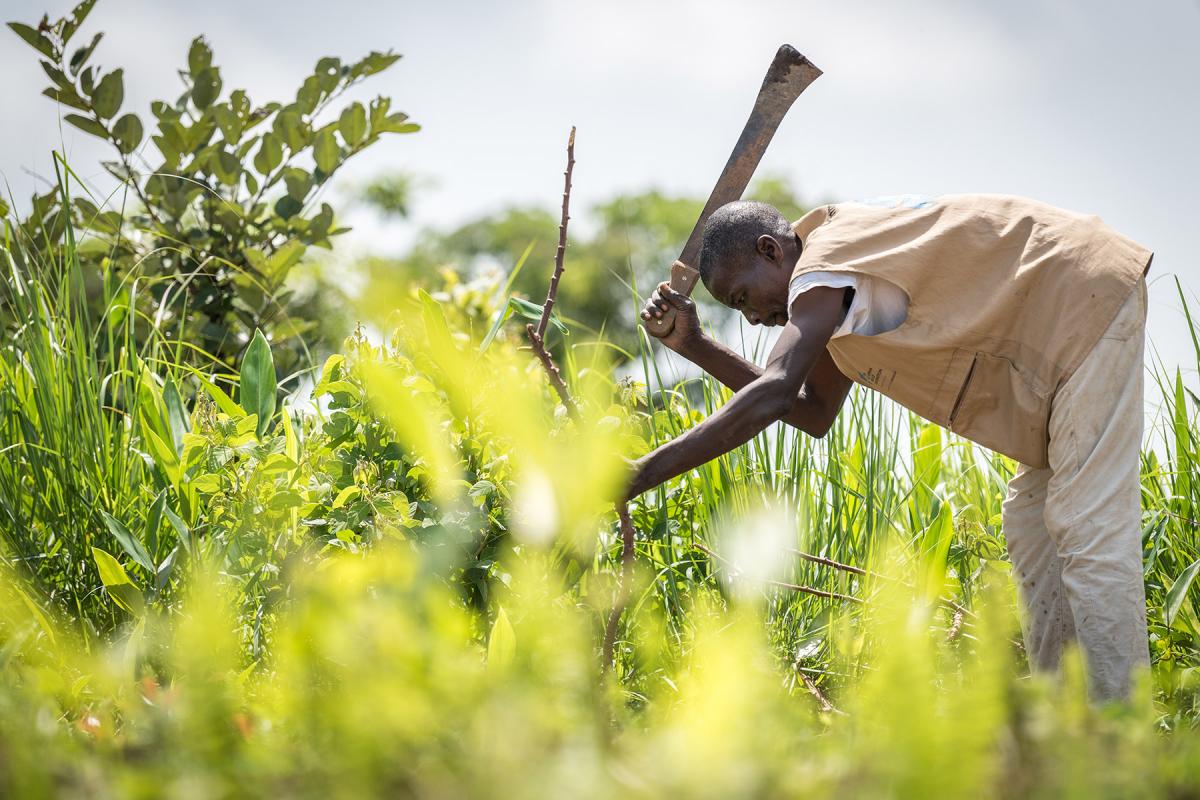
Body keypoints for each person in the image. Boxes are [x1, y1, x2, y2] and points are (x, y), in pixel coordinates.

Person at [625, 194, 1153, 701]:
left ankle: (1122, 741)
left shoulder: (823, 267)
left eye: (742, 298)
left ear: (770, 250)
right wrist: (692, 344)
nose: (753, 319)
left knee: (1087, 527)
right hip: (1060, 329)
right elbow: (810, 411)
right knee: (1033, 524)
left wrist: (640, 473)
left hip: (1083, 296)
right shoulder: (830, 291)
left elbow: (776, 391)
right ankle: (1064, 732)